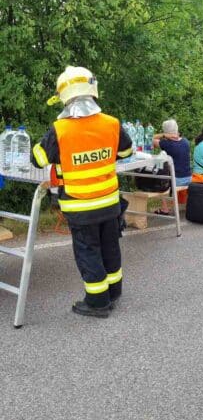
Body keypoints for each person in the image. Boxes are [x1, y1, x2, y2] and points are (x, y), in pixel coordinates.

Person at [30, 67, 134, 318]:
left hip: (80, 205)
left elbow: (39, 159)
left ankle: (98, 302)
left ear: (64, 96)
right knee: (110, 246)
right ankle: (114, 291)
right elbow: (126, 152)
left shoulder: (60, 129)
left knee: (88, 251)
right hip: (109, 202)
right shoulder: (111, 123)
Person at [152, 119, 191, 216]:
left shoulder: (167, 144)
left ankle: (165, 209)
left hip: (176, 180)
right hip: (188, 178)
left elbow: (150, 139)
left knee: (158, 178)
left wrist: (164, 135)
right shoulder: (186, 142)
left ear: (166, 131)